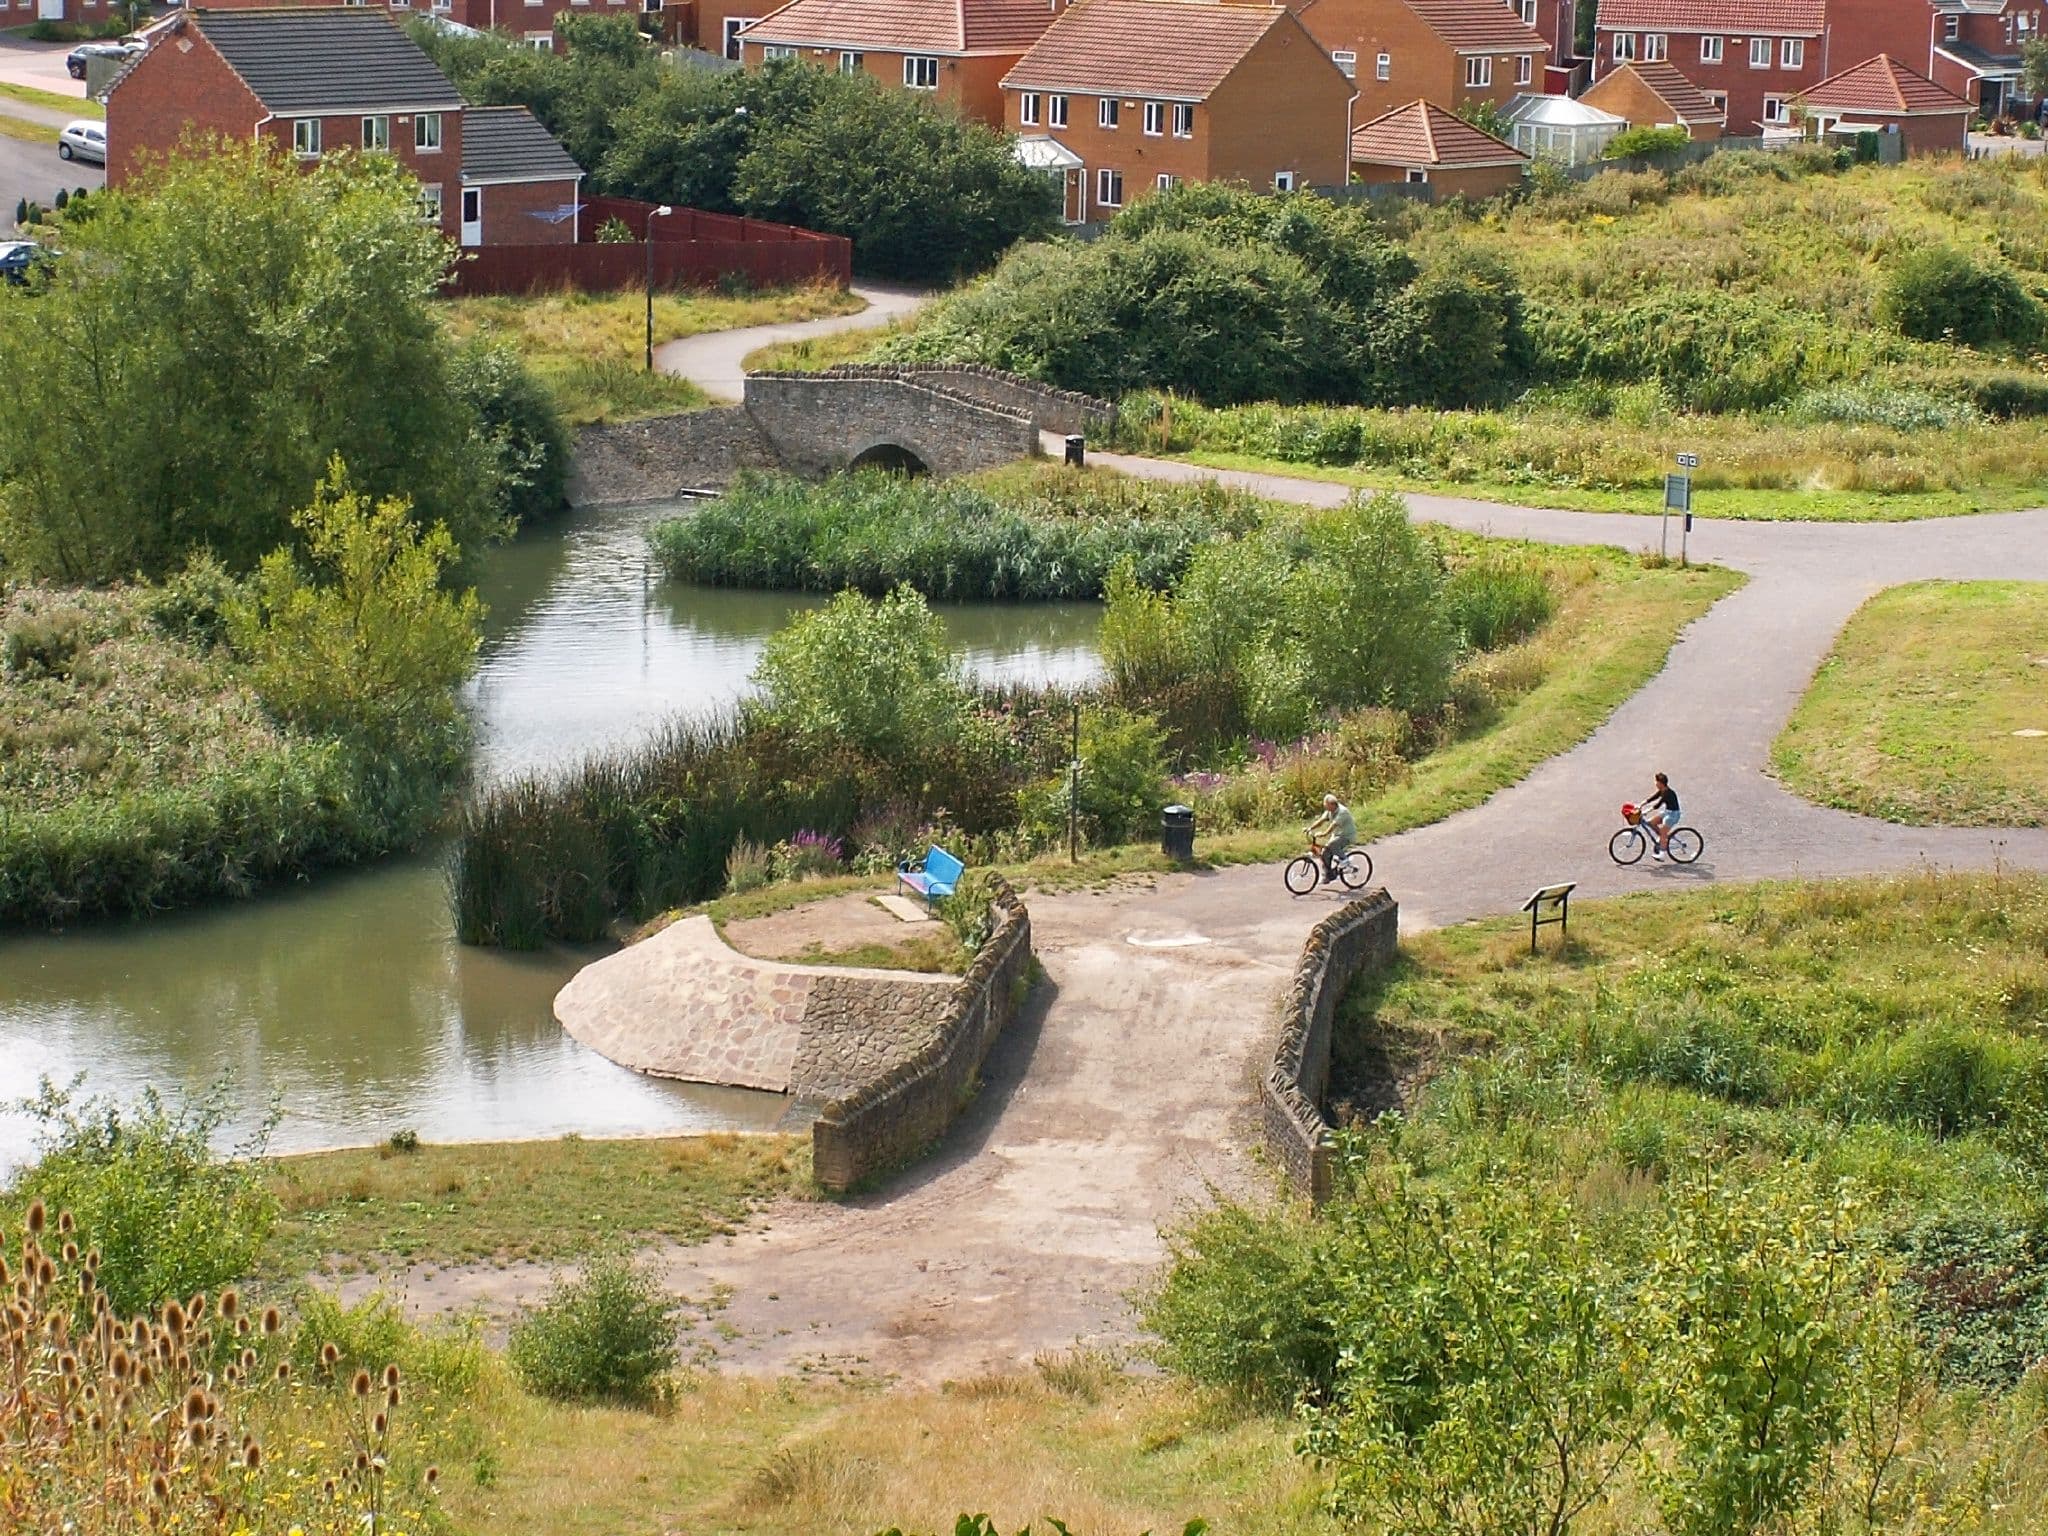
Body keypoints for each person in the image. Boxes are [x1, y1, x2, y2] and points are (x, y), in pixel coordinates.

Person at [1306, 793, 1357, 882]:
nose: (1325, 807)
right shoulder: (1330, 811)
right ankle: (1328, 875)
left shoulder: (1342, 812)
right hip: (1337, 834)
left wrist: (1324, 834)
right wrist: (1310, 828)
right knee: (1325, 853)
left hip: (1347, 835)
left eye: (1326, 805)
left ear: (1333, 804)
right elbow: (1321, 821)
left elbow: (1333, 825)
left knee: (1332, 844)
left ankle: (1344, 860)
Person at [1642, 772, 1680, 860]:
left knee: (1663, 832)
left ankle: (1662, 854)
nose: (1655, 783)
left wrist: (1646, 811)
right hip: (1667, 812)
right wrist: (1641, 804)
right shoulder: (1662, 790)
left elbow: (1658, 805)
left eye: (1656, 781)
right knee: (1651, 823)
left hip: (1673, 815)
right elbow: (1653, 798)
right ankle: (1663, 839)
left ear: (1660, 783)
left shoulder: (1667, 793)